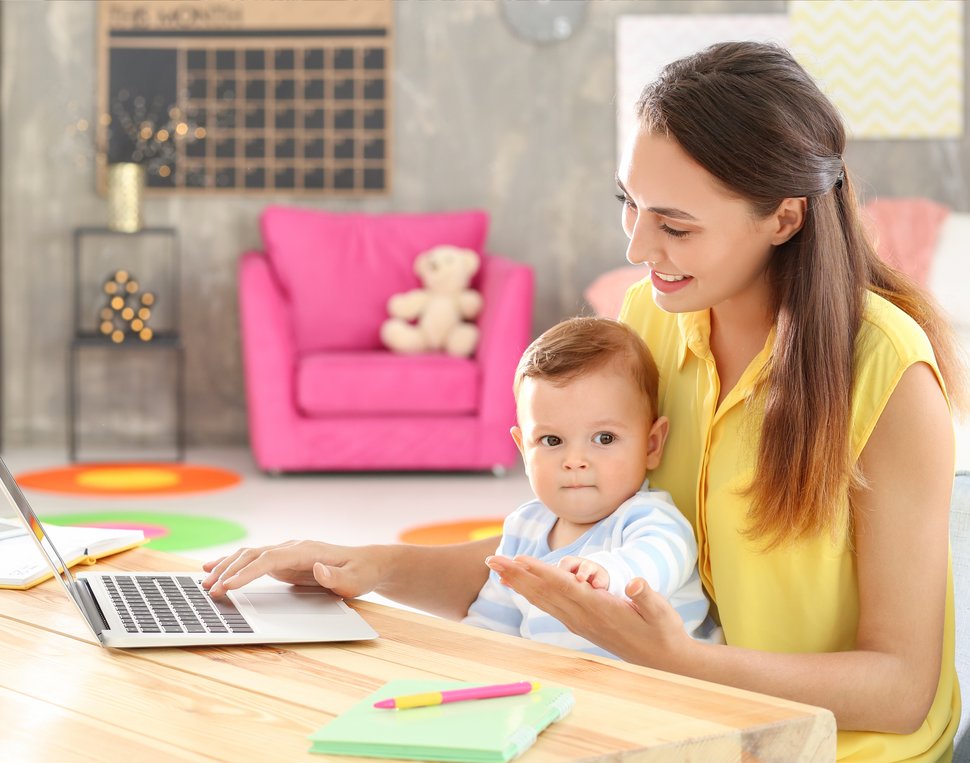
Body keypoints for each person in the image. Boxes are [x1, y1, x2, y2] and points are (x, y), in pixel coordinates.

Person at [204, 41, 966, 761]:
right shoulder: (648, 321)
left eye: (675, 225)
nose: (638, 246)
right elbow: (559, 560)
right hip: (678, 717)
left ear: (784, 217)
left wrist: (678, 657)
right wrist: (362, 565)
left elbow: (901, 691)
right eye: (629, 203)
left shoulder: (888, 375)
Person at [462, 316, 720, 656]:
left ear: (651, 445)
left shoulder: (650, 518)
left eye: (604, 438)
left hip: (663, 695)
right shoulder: (523, 528)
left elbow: (658, 561)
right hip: (568, 692)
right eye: (552, 440)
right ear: (524, 449)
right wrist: (468, 655)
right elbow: (494, 622)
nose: (575, 460)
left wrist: (609, 573)